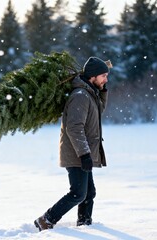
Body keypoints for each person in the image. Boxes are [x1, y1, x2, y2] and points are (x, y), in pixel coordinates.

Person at [34, 56, 111, 231]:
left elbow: (98, 111)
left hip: (83, 152)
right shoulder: (80, 96)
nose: (106, 79)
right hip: (77, 153)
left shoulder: (89, 93)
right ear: (92, 76)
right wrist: (84, 154)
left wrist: (103, 90)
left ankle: (85, 225)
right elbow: (74, 128)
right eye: (103, 76)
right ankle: (46, 220)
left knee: (89, 193)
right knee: (78, 194)